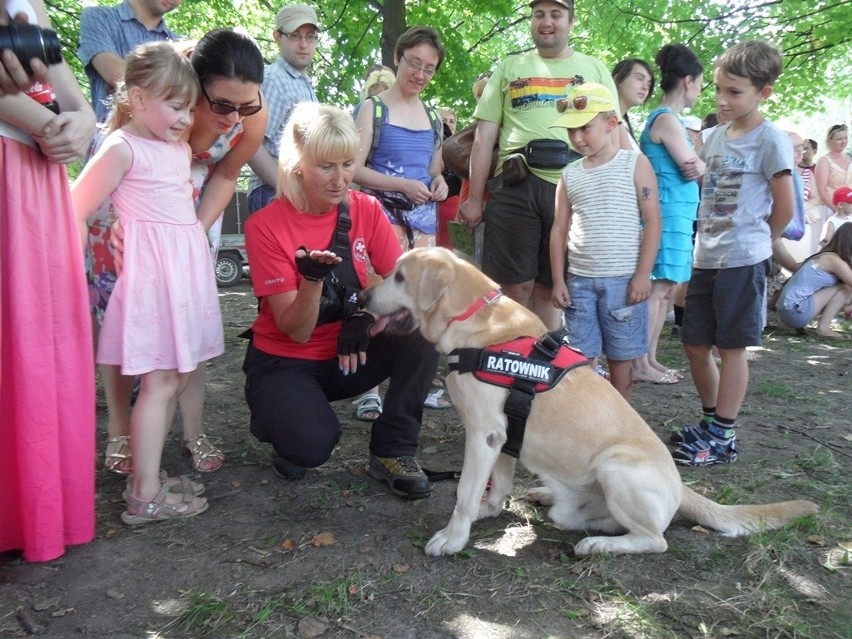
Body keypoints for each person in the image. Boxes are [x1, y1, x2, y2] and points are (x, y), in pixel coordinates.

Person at [90, 29, 267, 475]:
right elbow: (124, 149)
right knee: (124, 319)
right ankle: (119, 430)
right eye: (221, 104)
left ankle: (193, 430)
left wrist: (192, 233)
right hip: (128, 211)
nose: (233, 117)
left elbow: (226, 174)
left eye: (245, 105)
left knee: (189, 325)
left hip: (190, 212)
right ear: (193, 86)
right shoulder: (168, 107)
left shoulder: (250, 114)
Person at [242, 102, 438, 500]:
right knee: (311, 447)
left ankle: (393, 450)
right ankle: (275, 418)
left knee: (422, 328)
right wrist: (312, 279)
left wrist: (365, 315)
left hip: (349, 355)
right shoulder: (265, 225)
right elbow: (295, 332)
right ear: (297, 164)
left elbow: (407, 285)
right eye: (326, 166)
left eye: (348, 164)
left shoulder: (366, 208)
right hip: (287, 362)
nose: (340, 179)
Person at [72, 42, 222, 524]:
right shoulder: (122, 147)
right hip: (152, 281)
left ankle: (148, 474)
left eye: (189, 108)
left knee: (173, 378)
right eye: (175, 106)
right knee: (159, 381)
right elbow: (76, 207)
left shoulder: (176, 147)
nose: (184, 117)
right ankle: (144, 494)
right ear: (137, 100)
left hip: (182, 274)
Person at [0, 0, 97, 562]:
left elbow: (64, 81)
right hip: (19, 151)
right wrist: (43, 124)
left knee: (38, 341)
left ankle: (31, 511)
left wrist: (79, 118)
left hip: (39, 177)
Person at [458, 0, 621, 330]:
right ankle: (504, 364)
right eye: (539, 14)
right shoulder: (508, 67)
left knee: (551, 288)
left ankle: (541, 371)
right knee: (512, 288)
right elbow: (483, 139)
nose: (547, 22)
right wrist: (474, 199)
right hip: (516, 185)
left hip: (575, 187)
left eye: (556, 14)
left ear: (571, 21)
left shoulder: (595, 69)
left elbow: (611, 137)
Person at [671, 40, 795, 467]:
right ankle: (711, 425)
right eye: (720, 89)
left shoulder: (770, 141)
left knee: (732, 348)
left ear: (763, 93)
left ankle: (723, 435)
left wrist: (758, 245)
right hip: (705, 257)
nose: (723, 100)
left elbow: (785, 208)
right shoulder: (713, 137)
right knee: (694, 344)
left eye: (735, 92)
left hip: (743, 260)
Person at [353, 26, 451, 411]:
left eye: (429, 68)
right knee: (379, 300)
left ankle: (413, 384)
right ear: (398, 57)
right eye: (414, 63)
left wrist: (439, 182)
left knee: (417, 307)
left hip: (424, 226)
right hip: (382, 221)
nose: (420, 74)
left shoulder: (432, 115)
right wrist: (402, 185)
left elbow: (434, 168)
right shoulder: (373, 109)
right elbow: (355, 170)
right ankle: (367, 390)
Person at [549, 83, 661, 401]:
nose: (578, 137)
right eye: (571, 130)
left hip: (623, 282)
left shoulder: (634, 164)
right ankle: (587, 423)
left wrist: (643, 274)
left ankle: (621, 427)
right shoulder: (569, 175)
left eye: (585, 127)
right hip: (580, 283)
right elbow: (559, 228)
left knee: (621, 361)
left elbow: (653, 220)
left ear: (610, 123)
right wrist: (559, 279)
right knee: (581, 359)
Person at [632, 43, 704, 385]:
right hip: (667, 212)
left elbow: (696, 167)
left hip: (677, 213)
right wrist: (702, 163)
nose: (701, 91)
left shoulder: (671, 119)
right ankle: (639, 363)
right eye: (701, 83)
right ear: (688, 81)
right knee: (657, 289)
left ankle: (650, 358)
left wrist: (701, 164)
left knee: (665, 289)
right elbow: (691, 166)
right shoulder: (666, 119)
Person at [247, 3, 319, 213]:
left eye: (310, 36)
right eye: (295, 35)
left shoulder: (300, 82)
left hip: (295, 193)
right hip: (272, 194)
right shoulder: (274, 79)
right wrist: (285, 188)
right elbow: (251, 143)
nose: (304, 44)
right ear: (278, 37)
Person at [78, 0, 182, 123]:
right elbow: (114, 73)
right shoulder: (99, 17)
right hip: (108, 136)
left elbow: (187, 99)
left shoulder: (179, 45)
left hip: (160, 141)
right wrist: (171, 90)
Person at [777, 222, 852, 339]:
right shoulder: (835, 261)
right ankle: (823, 329)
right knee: (846, 288)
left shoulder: (824, 255)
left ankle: (816, 326)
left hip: (787, 310)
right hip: (794, 312)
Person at [811, 124, 851, 254]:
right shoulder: (824, 161)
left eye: (846, 137)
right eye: (839, 138)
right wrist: (837, 211)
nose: (843, 141)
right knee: (829, 245)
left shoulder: (850, 158)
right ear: (830, 140)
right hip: (830, 208)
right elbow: (821, 190)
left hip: (848, 208)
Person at [611, 58, 654, 149]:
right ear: (618, 79)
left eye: (649, 84)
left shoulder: (625, 127)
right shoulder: (602, 121)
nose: (645, 87)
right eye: (639, 78)